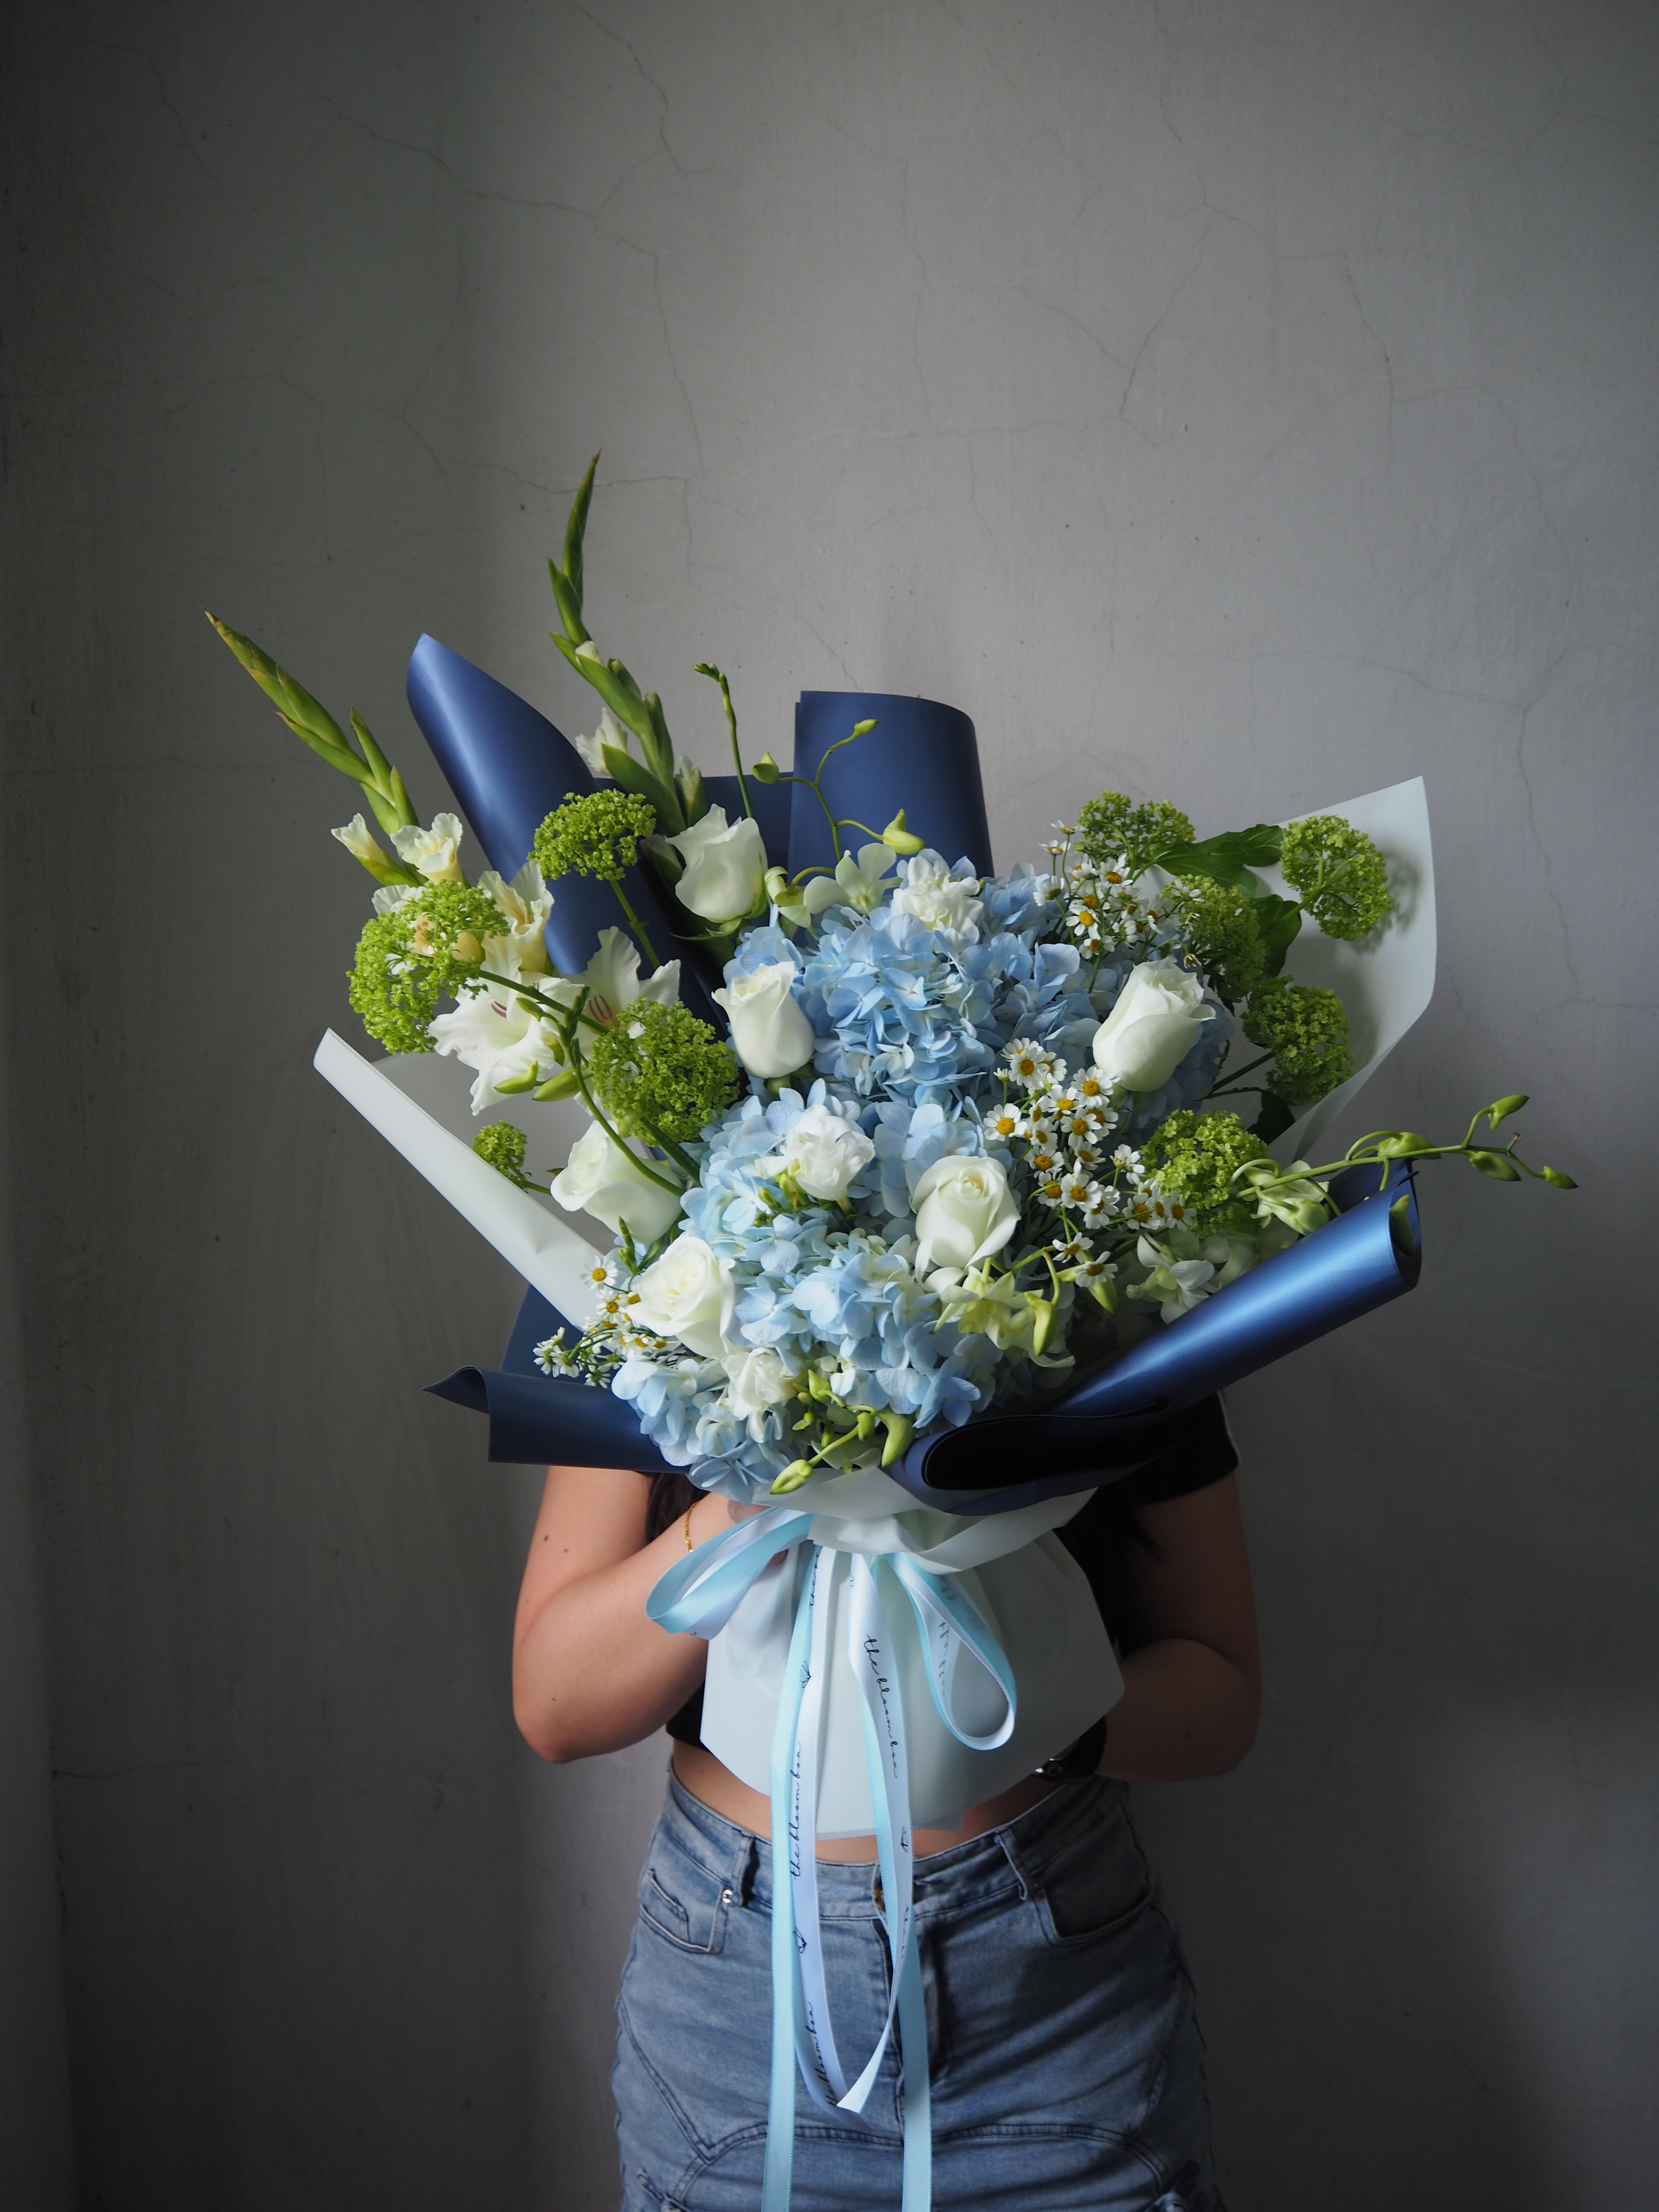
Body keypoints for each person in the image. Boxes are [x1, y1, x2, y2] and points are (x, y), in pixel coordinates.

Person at [514, 1397, 1259, 2212]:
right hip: (736, 2003)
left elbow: (1219, 1700)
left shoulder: (1103, 1288)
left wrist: (1042, 1725)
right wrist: (770, 1492)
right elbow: (559, 1710)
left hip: (1054, 2002)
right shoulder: (621, 1287)